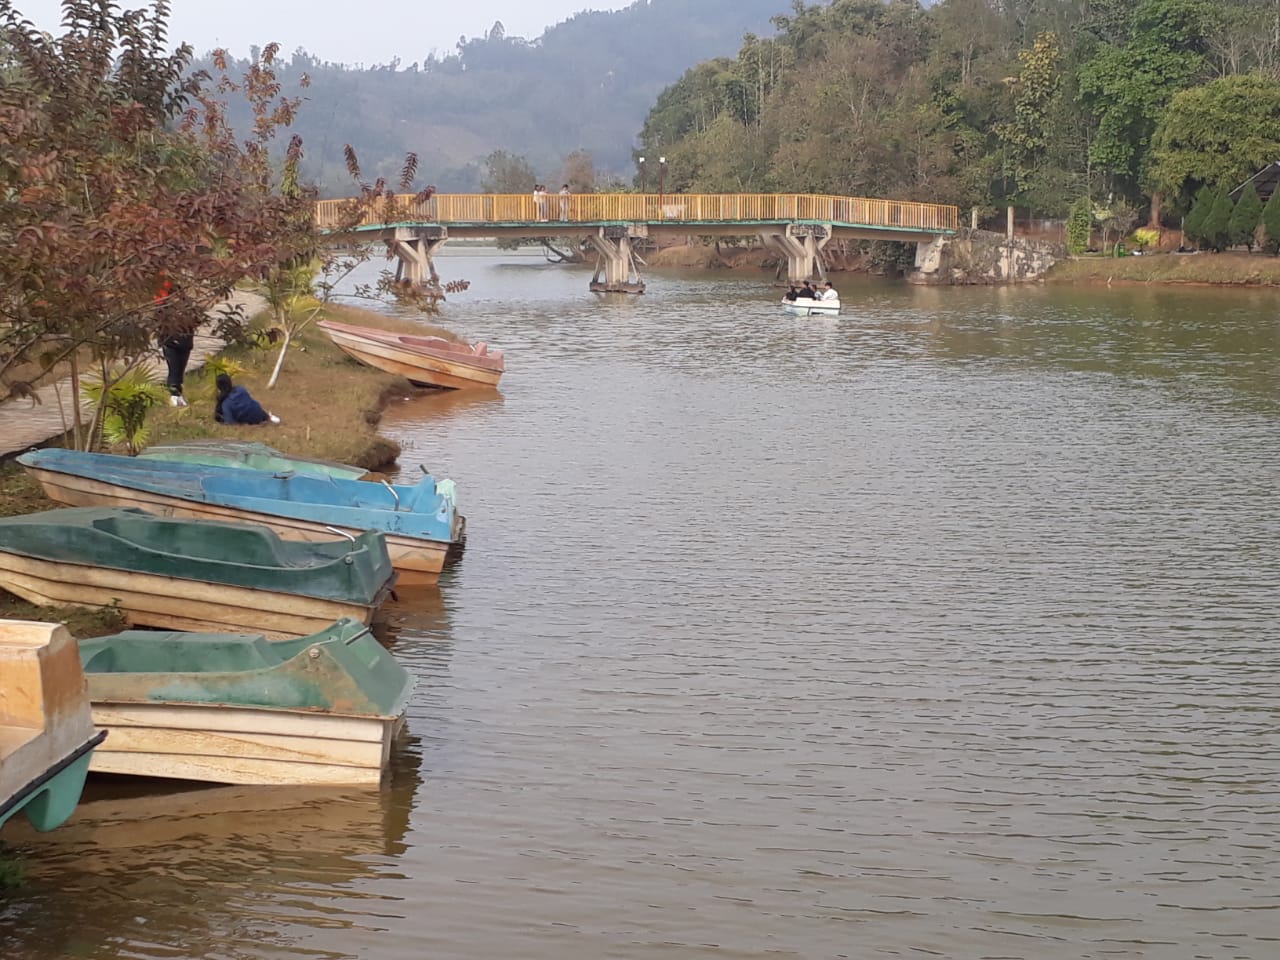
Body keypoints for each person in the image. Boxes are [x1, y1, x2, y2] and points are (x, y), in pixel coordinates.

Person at [214, 372, 280, 425]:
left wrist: (223, 421)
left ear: (219, 387)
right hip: (259, 412)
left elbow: (231, 422)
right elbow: (249, 402)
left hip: (251, 420)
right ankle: (269, 417)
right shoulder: (241, 389)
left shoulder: (226, 404)